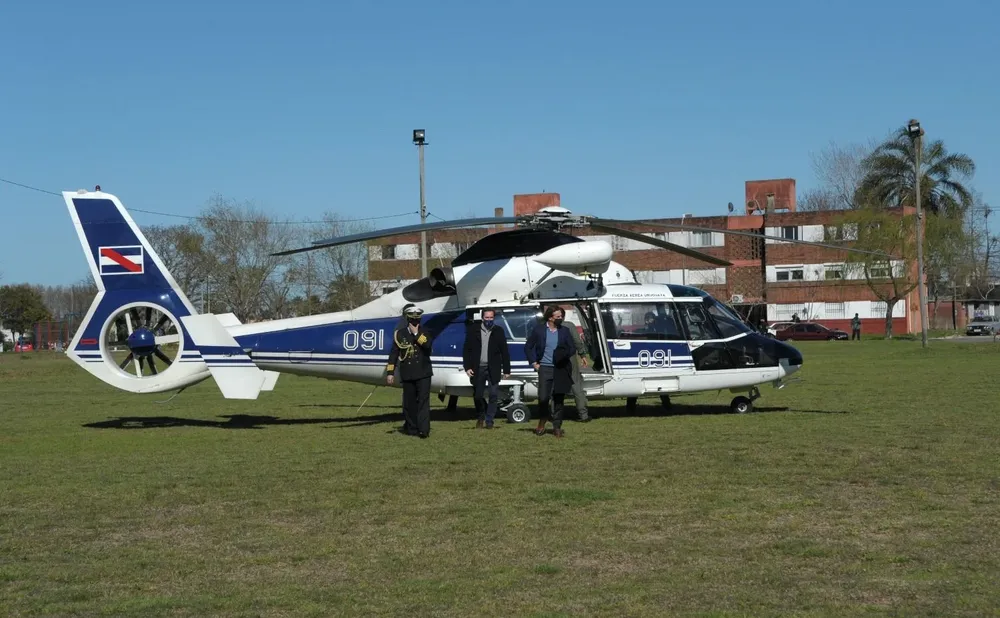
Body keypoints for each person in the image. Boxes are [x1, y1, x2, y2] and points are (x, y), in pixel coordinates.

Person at [524, 305, 576, 438]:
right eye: (558, 316)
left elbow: (572, 348)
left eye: (561, 316)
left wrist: (563, 355)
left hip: (560, 368)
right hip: (544, 368)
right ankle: (542, 420)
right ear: (550, 317)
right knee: (543, 398)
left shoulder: (564, 331)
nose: (560, 318)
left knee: (558, 399)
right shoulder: (539, 330)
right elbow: (528, 347)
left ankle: (557, 427)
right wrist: (534, 363)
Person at [385, 306, 434, 438]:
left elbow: (427, 346)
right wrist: (390, 373)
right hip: (408, 372)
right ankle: (412, 428)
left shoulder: (425, 331)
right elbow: (394, 354)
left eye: (417, 320)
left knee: (423, 402)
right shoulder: (400, 334)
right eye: (413, 320)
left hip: (423, 372)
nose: (415, 323)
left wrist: (416, 334)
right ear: (408, 319)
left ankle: (424, 430)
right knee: (409, 403)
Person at [462, 308, 511, 429]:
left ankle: (490, 420)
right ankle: (480, 416)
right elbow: (466, 350)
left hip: (493, 368)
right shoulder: (473, 330)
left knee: (493, 394)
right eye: (487, 317)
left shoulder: (498, 331)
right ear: (482, 318)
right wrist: (467, 367)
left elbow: (504, 351)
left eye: (491, 317)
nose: (489, 320)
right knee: (478, 395)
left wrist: (506, 370)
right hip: (478, 367)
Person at [560, 312, 592, 422]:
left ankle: (555, 414)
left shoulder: (548, 326)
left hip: (554, 358)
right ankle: (583, 414)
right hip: (570, 357)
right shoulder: (569, 325)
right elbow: (577, 341)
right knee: (576, 384)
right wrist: (582, 354)